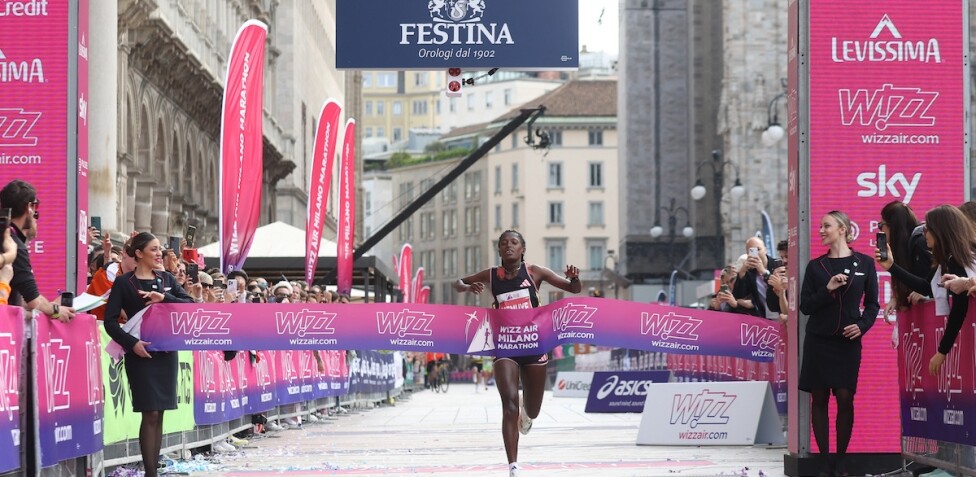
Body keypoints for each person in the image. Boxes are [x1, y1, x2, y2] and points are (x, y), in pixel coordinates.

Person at [454, 230, 582, 477]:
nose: (508, 246)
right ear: (499, 250)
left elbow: (573, 289)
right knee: (509, 404)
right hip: (505, 345)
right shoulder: (491, 275)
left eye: (514, 242)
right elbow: (458, 282)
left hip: (533, 345)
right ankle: (513, 465)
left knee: (532, 411)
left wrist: (574, 279)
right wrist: (467, 287)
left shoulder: (535, 272)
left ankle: (527, 414)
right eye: (504, 243)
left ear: (523, 249)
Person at [103, 232, 194, 477]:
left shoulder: (167, 279)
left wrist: (165, 298)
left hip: (166, 353)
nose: (158, 254)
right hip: (140, 355)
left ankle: (153, 470)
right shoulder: (124, 283)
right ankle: (150, 472)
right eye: (153, 249)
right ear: (139, 253)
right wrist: (132, 344)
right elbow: (110, 321)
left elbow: (191, 305)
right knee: (149, 412)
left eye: (159, 249)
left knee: (159, 412)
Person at [799, 211, 879, 477]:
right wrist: (828, 289)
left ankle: (841, 460)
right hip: (818, 341)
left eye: (827, 226)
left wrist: (863, 325)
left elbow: (873, 304)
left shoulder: (865, 263)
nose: (821, 230)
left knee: (845, 398)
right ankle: (824, 463)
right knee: (819, 398)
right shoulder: (815, 267)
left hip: (847, 342)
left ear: (843, 229)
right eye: (821, 226)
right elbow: (806, 306)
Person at [878, 205, 976, 376]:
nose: (924, 234)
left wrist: (942, 352)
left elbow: (959, 310)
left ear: (940, 231)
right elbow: (925, 286)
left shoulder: (957, 261)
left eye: (927, 229)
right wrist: (891, 266)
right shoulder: (946, 261)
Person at [877, 201, 931, 323]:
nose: (880, 230)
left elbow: (928, 284)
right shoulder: (903, 248)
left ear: (893, 226)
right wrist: (898, 297)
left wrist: (928, 294)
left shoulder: (920, 242)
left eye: (881, 225)